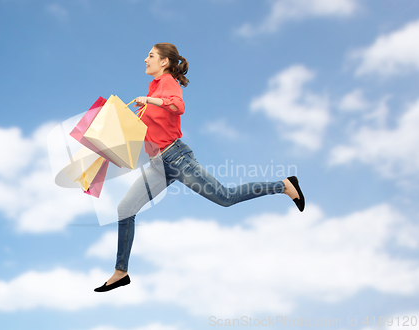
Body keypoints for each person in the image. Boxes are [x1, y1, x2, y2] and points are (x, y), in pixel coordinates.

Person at [94, 43, 305, 292]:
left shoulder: (168, 83)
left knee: (226, 197)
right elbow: (152, 128)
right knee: (125, 208)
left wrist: (150, 101)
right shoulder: (154, 87)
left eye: (150, 56)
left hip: (177, 159)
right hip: (158, 165)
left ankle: (284, 185)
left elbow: (178, 106)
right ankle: (121, 272)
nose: (145, 59)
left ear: (164, 62)